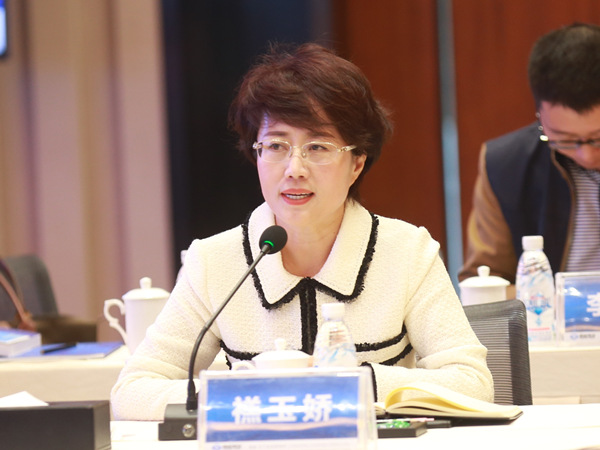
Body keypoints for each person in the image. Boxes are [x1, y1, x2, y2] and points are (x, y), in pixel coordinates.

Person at [111, 42, 493, 420]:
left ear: (357, 163)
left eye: (318, 147)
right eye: (276, 145)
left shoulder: (407, 252)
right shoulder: (214, 261)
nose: (295, 169)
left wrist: (347, 385)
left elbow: (472, 382)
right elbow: (133, 391)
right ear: (257, 154)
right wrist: (256, 392)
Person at [459, 23, 600, 284]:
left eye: (598, 137)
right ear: (540, 116)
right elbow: (487, 278)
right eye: (565, 139)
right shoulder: (506, 166)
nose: (587, 155)